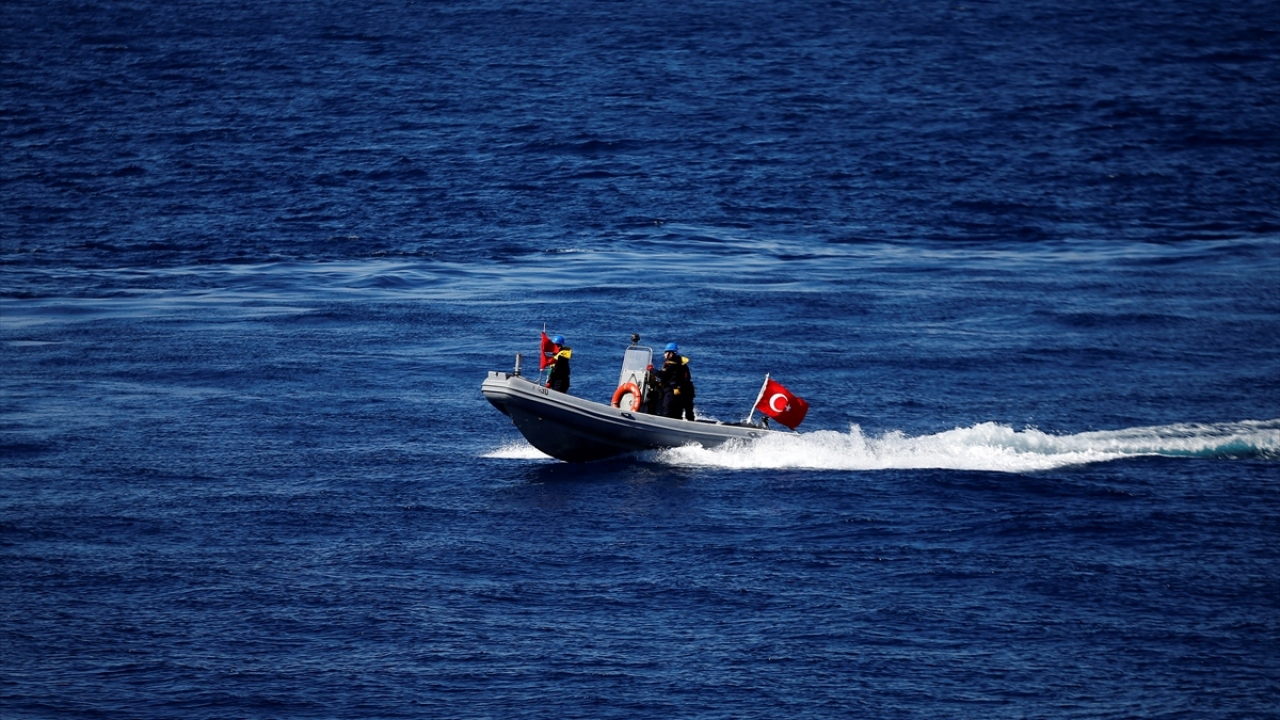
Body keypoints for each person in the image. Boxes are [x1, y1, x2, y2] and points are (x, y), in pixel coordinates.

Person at [657, 342, 695, 420]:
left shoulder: (672, 366)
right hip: (683, 392)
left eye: (666, 352)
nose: (664, 355)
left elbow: (662, 374)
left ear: (670, 354)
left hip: (674, 392)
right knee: (680, 413)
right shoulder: (682, 365)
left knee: (667, 409)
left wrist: (651, 369)